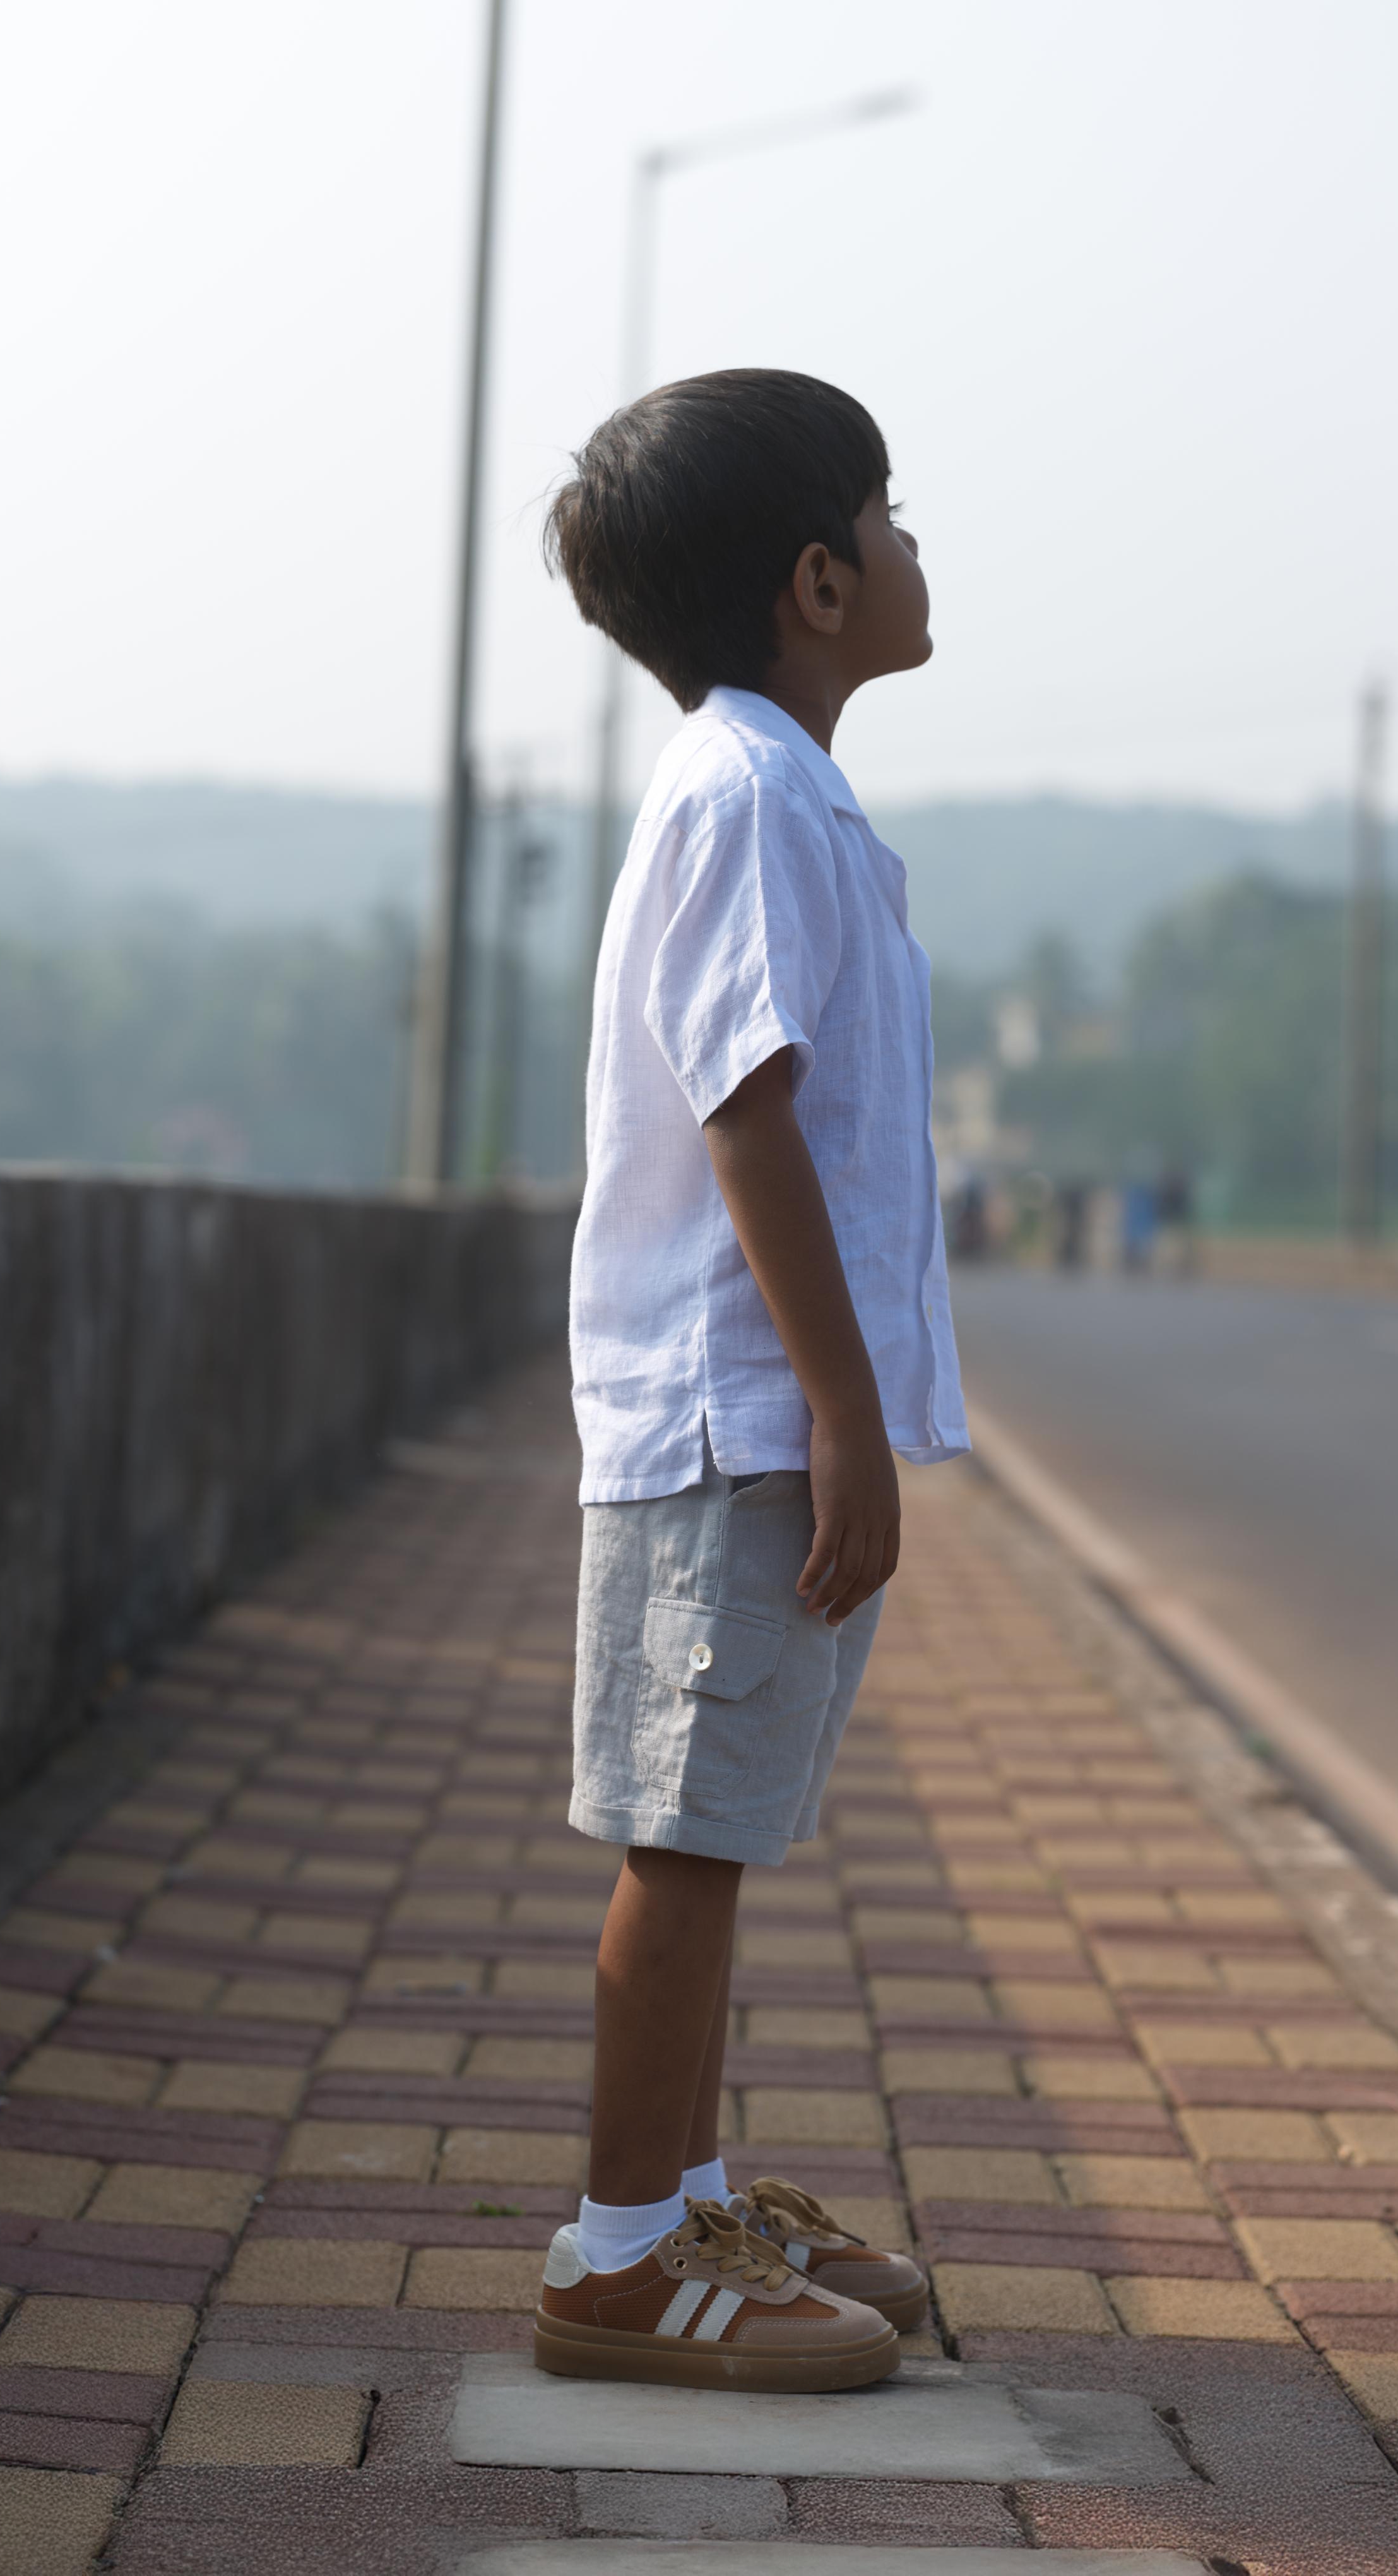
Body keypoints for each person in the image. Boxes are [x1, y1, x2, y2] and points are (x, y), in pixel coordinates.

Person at [535, 370, 968, 2391]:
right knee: (682, 1836)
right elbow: (748, 1115)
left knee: (714, 1821)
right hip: (733, 1410)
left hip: (748, 1408)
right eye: (885, 517)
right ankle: (620, 2256)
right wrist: (844, 1419)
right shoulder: (746, 792)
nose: (911, 548)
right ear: (814, 579)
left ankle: (689, 2204)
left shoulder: (782, 786)